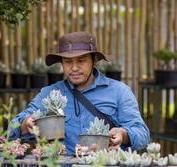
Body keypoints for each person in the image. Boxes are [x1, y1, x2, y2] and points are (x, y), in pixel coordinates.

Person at [8, 31, 150, 155]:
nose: (74, 68)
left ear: (93, 61)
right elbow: (11, 128)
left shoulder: (119, 92)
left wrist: (123, 134)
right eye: (68, 62)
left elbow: (143, 135)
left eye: (81, 61)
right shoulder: (50, 93)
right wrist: (25, 124)